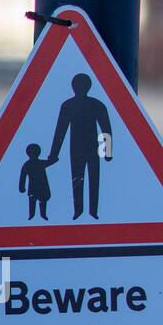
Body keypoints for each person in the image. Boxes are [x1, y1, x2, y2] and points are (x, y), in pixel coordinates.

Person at [47, 73, 113, 219]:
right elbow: (61, 130)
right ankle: (85, 211)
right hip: (85, 149)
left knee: (80, 179)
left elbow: (105, 128)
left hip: (83, 149)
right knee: (85, 179)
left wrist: (54, 154)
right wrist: (107, 151)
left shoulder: (72, 105)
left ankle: (87, 212)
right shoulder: (92, 104)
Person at [18, 143, 53, 220]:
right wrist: (21, 187)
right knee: (33, 202)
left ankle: (43, 215)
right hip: (33, 188)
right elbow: (23, 177)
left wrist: (53, 157)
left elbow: (51, 162)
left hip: (42, 188)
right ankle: (31, 215)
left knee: (42, 202)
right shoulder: (27, 165)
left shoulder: (40, 163)